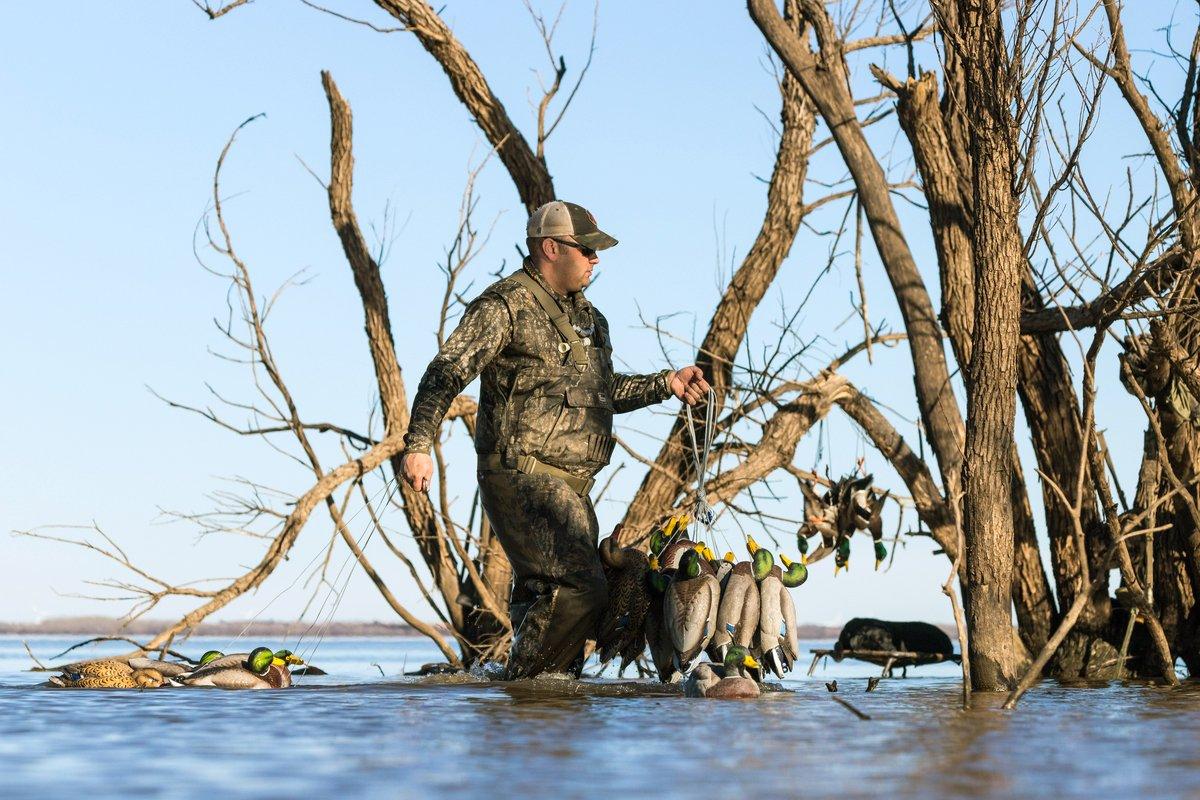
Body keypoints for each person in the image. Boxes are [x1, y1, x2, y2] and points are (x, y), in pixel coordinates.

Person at [400, 200, 710, 679]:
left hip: (573, 488)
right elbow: (446, 371)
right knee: (580, 588)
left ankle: (538, 720)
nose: (595, 259)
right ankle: (527, 691)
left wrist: (666, 383)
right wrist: (419, 444)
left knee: (547, 600)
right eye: (586, 249)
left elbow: (603, 393)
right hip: (521, 477)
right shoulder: (505, 305)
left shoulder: (592, 320)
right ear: (550, 247)